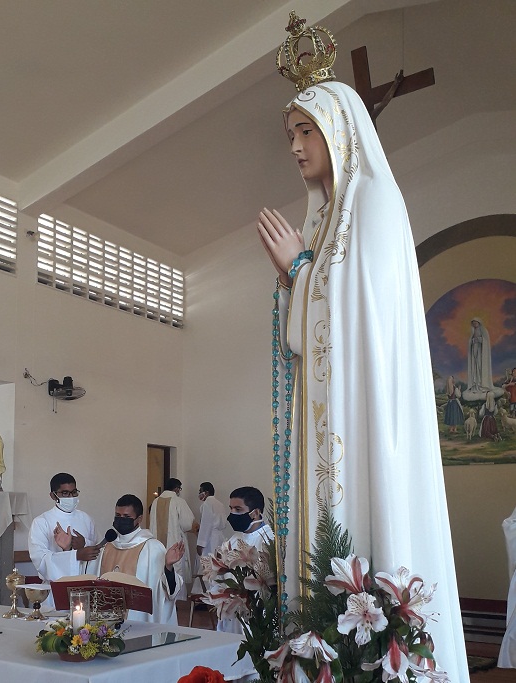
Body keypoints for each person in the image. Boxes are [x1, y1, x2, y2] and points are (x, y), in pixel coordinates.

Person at [257, 26, 468, 679]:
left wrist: (297, 267)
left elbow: (357, 321)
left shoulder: (372, 202)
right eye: (289, 133)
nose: (294, 146)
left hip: (362, 423)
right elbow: (307, 331)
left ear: (340, 131)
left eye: (306, 131)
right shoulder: (322, 214)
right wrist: (301, 268)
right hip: (329, 420)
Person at [85, 493, 184, 624]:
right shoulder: (107, 546)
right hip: (106, 620)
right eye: (117, 516)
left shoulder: (152, 548)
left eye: (126, 517)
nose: (121, 520)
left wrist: (168, 567)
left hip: (139, 620)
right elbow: (89, 579)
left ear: (139, 519)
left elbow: (167, 590)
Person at [216, 486, 274, 634]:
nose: (232, 514)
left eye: (238, 509)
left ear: (255, 513)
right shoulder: (233, 540)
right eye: (231, 509)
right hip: (231, 616)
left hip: (258, 615)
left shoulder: (270, 540)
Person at [28, 473, 99, 586]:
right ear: (53, 495)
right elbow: (41, 561)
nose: (71, 497)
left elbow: (98, 551)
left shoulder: (86, 519)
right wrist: (74, 555)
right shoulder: (42, 522)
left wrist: (84, 543)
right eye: (65, 493)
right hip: (55, 588)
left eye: (74, 492)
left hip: (85, 585)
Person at [149, 477, 195, 599]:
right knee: (176, 571)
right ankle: (176, 599)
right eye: (179, 488)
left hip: (157, 545)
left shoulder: (155, 501)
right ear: (176, 488)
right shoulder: (178, 501)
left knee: (159, 570)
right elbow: (187, 524)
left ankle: (159, 598)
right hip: (174, 544)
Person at [195, 482, 227, 559]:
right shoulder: (220, 504)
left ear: (206, 492)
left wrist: (200, 544)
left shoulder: (207, 504)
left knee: (208, 563)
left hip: (210, 540)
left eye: (200, 491)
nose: (199, 493)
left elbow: (205, 525)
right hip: (220, 538)